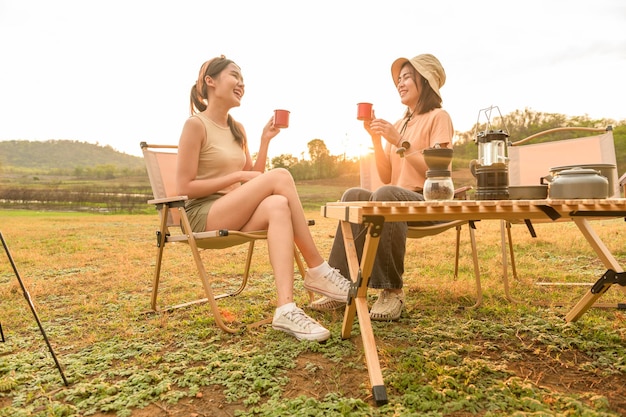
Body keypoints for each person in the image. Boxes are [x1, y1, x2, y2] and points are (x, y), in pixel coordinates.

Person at [176, 56, 351, 341]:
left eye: (243, 79)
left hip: (233, 210)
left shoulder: (237, 128)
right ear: (210, 81)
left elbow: (253, 175)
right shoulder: (195, 126)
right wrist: (235, 178)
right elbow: (183, 186)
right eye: (234, 76)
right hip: (201, 215)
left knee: (278, 205)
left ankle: (286, 308)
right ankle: (318, 269)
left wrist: (264, 141)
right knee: (280, 176)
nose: (241, 83)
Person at [312, 53, 453, 321]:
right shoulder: (400, 123)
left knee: (385, 196)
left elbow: (439, 172)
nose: (400, 83)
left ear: (425, 82)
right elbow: (388, 175)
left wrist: (400, 141)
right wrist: (377, 140)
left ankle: (392, 290)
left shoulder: (438, 117)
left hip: (429, 201)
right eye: (398, 79)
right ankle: (340, 286)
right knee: (353, 195)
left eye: (407, 77)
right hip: (395, 200)